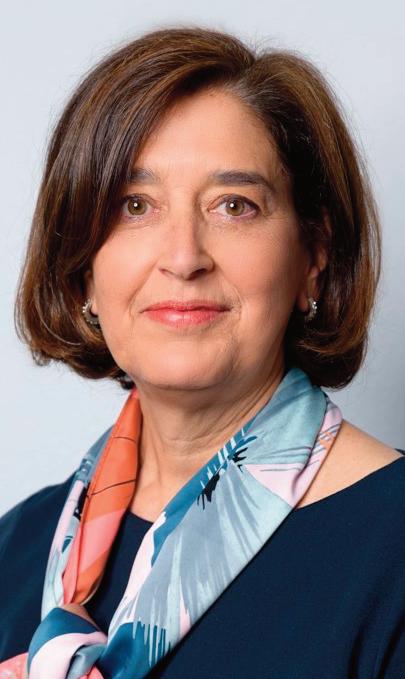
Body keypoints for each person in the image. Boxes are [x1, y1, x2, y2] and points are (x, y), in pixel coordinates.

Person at [0, 24, 404, 679]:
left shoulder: (392, 550)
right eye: (135, 205)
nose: (184, 256)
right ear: (82, 270)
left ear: (312, 256)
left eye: (233, 206)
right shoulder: (15, 548)